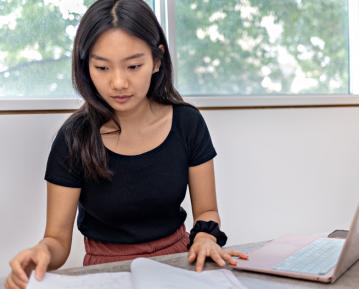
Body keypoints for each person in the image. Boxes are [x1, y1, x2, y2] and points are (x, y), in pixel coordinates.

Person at [5, 1, 248, 288]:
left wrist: (206, 238)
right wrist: (41, 252)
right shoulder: (74, 138)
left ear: (157, 59)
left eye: (133, 66)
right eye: (102, 67)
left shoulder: (187, 123)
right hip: (106, 273)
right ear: (86, 67)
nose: (119, 82)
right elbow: (56, 240)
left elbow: (206, 211)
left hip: (178, 266)